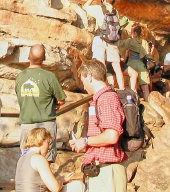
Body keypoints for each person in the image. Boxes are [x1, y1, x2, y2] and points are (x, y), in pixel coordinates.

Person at [69, 60, 126, 192]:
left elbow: (112, 136)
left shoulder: (107, 98)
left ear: (89, 76)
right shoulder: (100, 99)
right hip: (102, 171)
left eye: (83, 81)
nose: (84, 87)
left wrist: (86, 141)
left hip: (107, 172)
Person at [15, 44, 66, 162]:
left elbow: (19, 97)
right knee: (46, 161)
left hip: (27, 125)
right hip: (46, 126)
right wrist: (56, 105)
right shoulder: (49, 77)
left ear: (28, 57)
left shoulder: (20, 77)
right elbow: (61, 100)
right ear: (44, 59)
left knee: (27, 160)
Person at [83, 0, 124, 90]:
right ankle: (122, 90)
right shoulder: (115, 12)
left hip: (100, 38)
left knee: (101, 65)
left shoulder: (99, 8)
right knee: (117, 68)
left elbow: (85, 6)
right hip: (113, 41)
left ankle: (104, 89)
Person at [15, 127, 68, 192]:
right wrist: (62, 179)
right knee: (78, 186)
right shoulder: (39, 159)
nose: (49, 148)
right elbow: (55, 188)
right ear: (42, 140)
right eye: (48, 143)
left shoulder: (22, 158)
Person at [118, 25, 152, 99]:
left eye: (132, 32)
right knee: (145, 87)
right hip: (141, 65)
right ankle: (148, 102)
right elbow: (148, 55)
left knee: (133, 86)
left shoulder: (130, 41)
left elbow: (120, 44)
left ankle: (134, 102)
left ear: (135, 33)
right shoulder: (145, 42)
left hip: (131, 64)